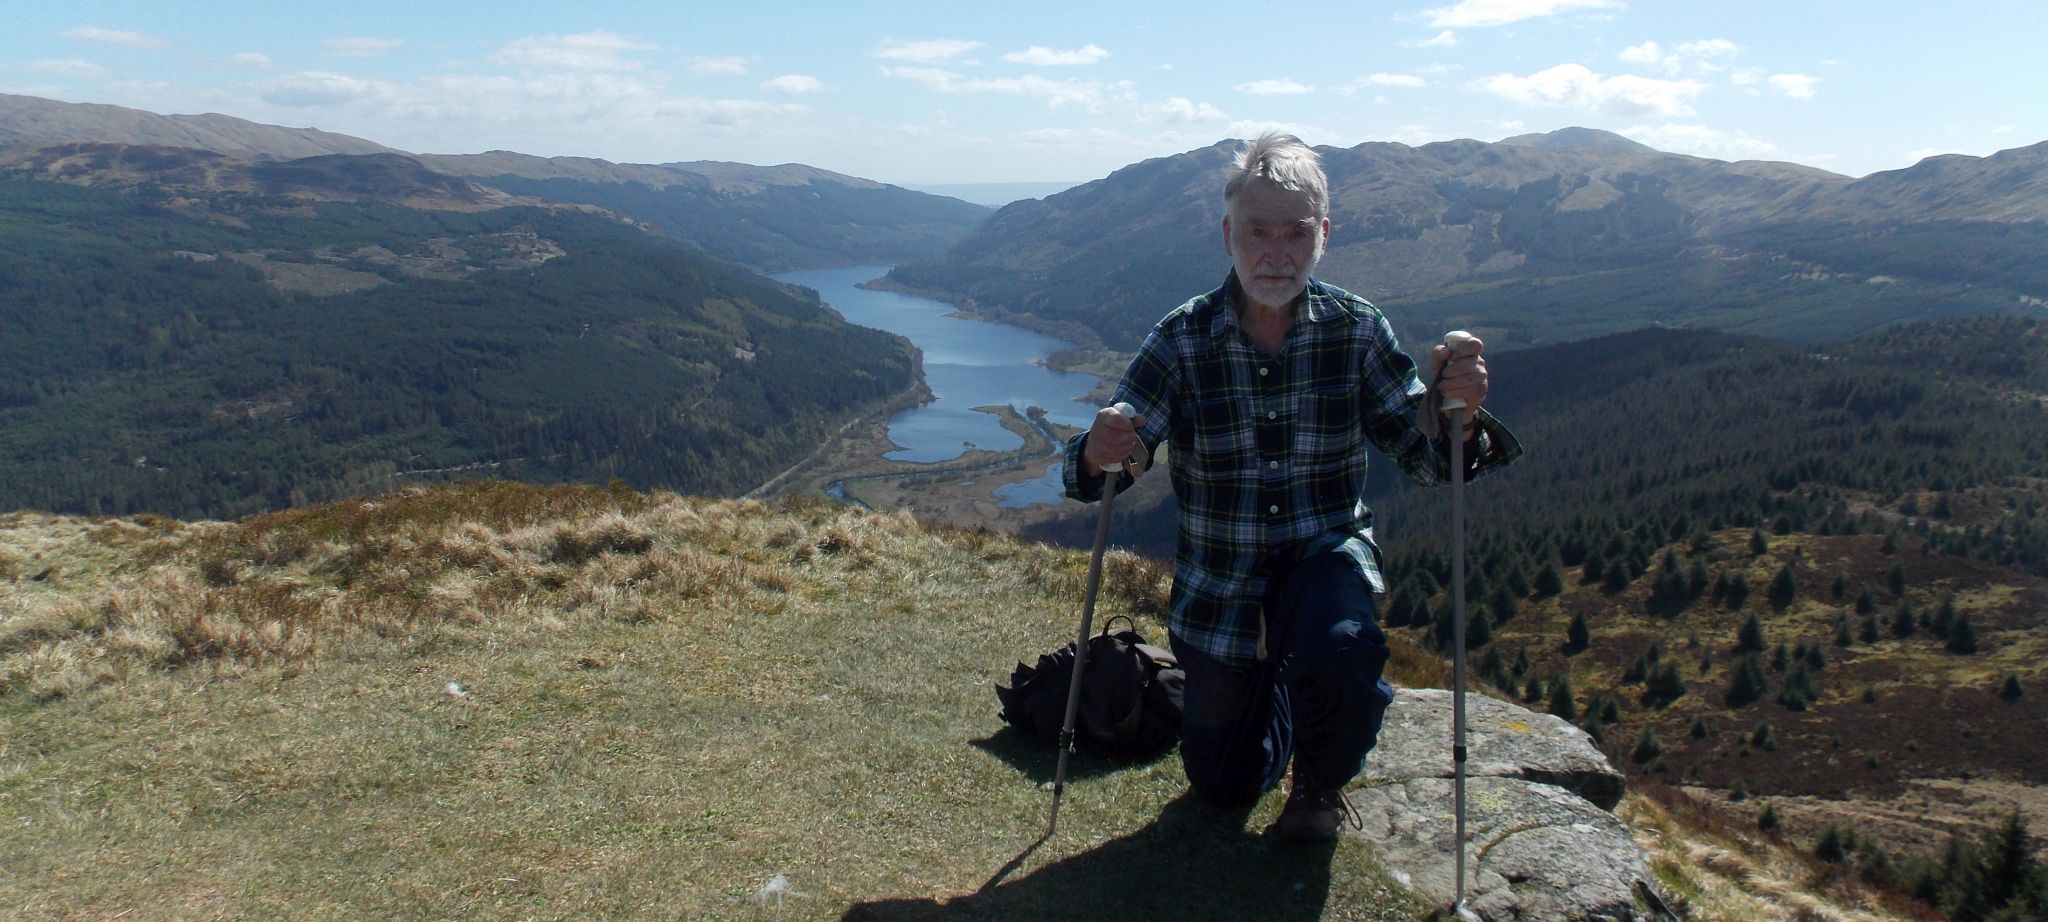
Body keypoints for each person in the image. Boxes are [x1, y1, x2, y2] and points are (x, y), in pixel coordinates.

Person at [1062, 132, 1522, 842]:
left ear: (1323, 235)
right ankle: (1277, 695)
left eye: (1296, 233)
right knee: (1222, 787)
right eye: (1259, 232)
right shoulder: (1182, 338)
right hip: (1222, 588)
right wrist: (1101, 452)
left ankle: (1319, 785)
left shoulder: (1357, 330)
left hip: (1323, 552)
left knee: (1342, 648)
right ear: (1228, 235)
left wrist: (1457, 413)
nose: (1277, 252)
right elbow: (1117, 460)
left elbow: (1429, 457)